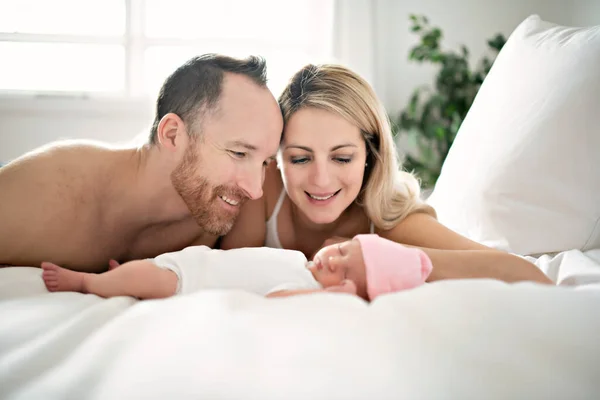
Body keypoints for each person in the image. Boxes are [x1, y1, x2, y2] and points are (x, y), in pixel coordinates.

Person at [221, 63, 552, 285]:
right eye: (300, 159)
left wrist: (379, 258)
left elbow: (524, 273)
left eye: (342, 158)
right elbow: (230, 277)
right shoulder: (261, 190)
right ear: (278, 156)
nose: (321, 179)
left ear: (370, 153)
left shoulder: (387, 219)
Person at [0, 54, 283, 273]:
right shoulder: (56, 189)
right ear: (172, 135)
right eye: (239, 153)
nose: (254, 189)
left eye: (264, 162)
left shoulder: (214, 208)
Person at [41, 234, 433, 301]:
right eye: (344, 250)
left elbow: (278, 301)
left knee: (153, 278)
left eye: (343, 273)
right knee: (145, 271)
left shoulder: (305, 287)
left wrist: (332, 297)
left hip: (190, 282)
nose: (333, 259)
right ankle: (119, 275)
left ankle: (88, 281)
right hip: (199, 260)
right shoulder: (299, 259)